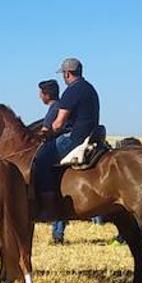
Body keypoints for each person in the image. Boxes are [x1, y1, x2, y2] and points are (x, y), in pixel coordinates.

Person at [34, 58, 100, 216]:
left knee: (41, 159)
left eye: (63, 74)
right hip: (92, 135)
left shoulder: (72, 91)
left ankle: (48, 207)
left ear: (67, 73)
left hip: (74, 137)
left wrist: (45, 134)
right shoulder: (89, 88)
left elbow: (58, 124)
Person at [36, 79, 67, 244]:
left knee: (39, 165)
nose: (39, 96)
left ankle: (47, 207)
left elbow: (46, 130)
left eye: (40, 93)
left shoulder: (54, 108)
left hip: (56, 144)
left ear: (46, 95)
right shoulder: (61, 105)